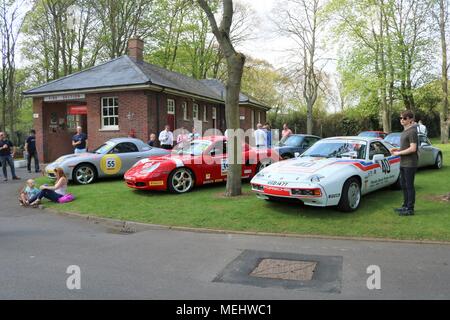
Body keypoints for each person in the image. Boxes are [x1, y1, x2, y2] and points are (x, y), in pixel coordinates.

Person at [392, 110, 419, 216]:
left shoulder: (412, 131)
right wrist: (396, 149)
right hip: (403, 163)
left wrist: (398, 153)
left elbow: (413, 148)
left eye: (404, 118)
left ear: (410, 119)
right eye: (400, 118)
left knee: (409, 186)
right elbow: (406, 147)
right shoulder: (405, 131)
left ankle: (410, 209)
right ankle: (405, 206)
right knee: (404, 185)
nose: (402, 120)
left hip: (410, 163)